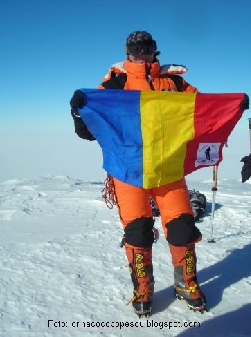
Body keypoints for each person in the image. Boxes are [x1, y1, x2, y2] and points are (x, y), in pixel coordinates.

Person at [70, 30, 206, 317]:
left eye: (147, 48)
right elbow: (88, 132)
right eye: (136, 49)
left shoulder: (176, 83)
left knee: (183, 227)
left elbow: (203, 112)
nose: (141, 54)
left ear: (155, 51)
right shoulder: (114, 84)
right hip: (128, 171)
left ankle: (186, 283)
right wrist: (79, 111)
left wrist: (231, 106)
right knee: (138, 231)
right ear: (127, 52)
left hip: (168, 170)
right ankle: (143, 288)